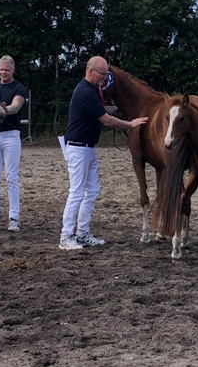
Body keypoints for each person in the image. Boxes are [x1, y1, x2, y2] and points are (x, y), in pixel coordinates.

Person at [59, 56, 147, 250]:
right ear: (90, 72)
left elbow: (98, 110)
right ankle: (66, 236)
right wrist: (130, 124)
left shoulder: (91, 90)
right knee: (76, 192)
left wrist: (110, 108)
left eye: (106, 74)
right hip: (78, 148)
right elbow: (106, 120)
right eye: (102, 74)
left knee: (92, 190)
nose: (105, 78)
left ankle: (82, 233)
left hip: (88, 148)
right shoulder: (85, 92)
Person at [0, 55, 29, 232]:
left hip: (11, 136)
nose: (3, 73)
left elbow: (15, 107)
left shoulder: (19, 88)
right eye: (1, 70)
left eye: (6, 70)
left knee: (11, 177)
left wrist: (4, 109)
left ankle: (13, 218)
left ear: (13, 70)